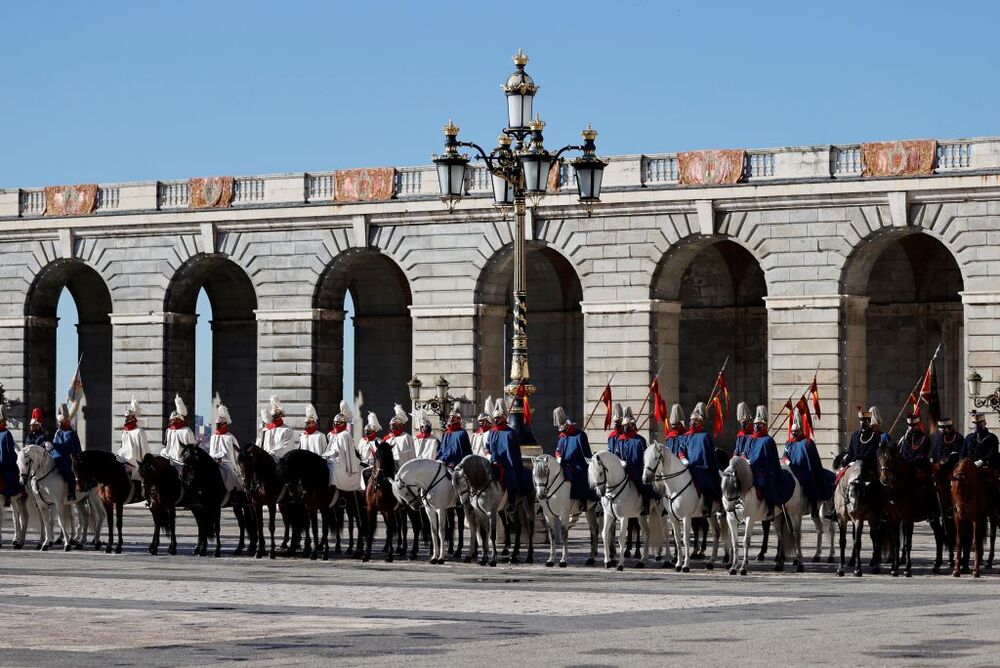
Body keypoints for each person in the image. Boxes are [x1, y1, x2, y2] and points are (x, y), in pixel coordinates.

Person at [746, 405, 793, 519]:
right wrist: (744, 460)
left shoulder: (768, 440)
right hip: (749, 468)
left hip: (763, 470)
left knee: (765, 483)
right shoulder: (750, 438)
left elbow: (772, 460)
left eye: (759, 425)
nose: (757, 426)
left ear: (764, 426)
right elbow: (744, 452)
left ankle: (770, 507)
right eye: (756, 424)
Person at [783, 408, 833, 516]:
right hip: (792, 469)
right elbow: (785, 455)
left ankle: (813, 505)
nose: (794, 434)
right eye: (792, 432)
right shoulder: (789, 443)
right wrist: (787, 461)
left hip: (805, 470)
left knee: (809, 481)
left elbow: (814, 460)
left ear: (801, 430)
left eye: (796, 432)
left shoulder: (807, 442)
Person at [677, 402, 722, 513]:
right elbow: (681, 449)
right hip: (688, 466)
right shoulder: (685, 436)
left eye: (695, 421)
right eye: (691, 420)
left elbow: (710, 454)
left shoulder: (705, 436)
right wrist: (683, 458)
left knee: (705, 482)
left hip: (702, 467)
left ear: (700, 422)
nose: (692, 422)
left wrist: (710, 467)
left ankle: (707, 505)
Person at [614, 407, 655, 511]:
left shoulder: (640, 440)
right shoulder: (620, 440)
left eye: (628, 426)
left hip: (637, 469)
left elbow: (645, 457)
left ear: (633, 425)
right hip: (623, 469)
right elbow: (617, 454)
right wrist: (620, 461)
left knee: (642, 484)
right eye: (624, 426)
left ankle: (646, 504)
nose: (626, 428)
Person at [553, 407, 595, 503]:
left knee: (580, 475)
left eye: (563, 429)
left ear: (568, 426)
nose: (562, 432)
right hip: (564, 464)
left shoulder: (580, 436)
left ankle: (584, 500)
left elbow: (587, 453)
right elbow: (558, 450)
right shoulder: (562, 437)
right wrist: (558, 457)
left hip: (577, 464)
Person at [487, 399, 525, 501]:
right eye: (495, 418)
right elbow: (487, 447)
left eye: (498, 418)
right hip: (493, 462)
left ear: (503, 418)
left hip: (508, 464)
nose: (496, 420)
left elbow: (517, 452)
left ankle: (512, 503)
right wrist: (488, 455)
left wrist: (517, 465)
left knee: (511, 480)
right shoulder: (491, 432)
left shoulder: (511, 433)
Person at [325, 401, 363, 491]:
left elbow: (342, 452)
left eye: (338, 423)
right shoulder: (333, 434)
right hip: (331, 458)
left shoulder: (345, 434)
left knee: (334, 470)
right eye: (335, 423)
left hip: (342, 462)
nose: (336, 425)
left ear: (344, 423)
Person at [842, 406, 886, 479]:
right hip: (852, 464)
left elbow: (870, 454)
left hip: (867, 467)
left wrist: (858, 461)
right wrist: (845, 463)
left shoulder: (875, 436)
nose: (862, 423)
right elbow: (851, 452)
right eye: (860, 420)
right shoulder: (855, 435)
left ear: (868, 422)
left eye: (864, 421)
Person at [209, 402, 244, 493]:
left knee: (228, 471)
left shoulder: (230, 437)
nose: (217, 426)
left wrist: (238, 467)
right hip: (213, 461)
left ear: (225, 424)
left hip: (226, 463)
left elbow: (237, 454)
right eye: (216, 424)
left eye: (219, 425)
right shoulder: (213, 437)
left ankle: (234, 491)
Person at [116, 397, 153, 483]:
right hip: (123, 457)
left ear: (133, 417)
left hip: (135, 461)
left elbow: (144, 450)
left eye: (128, 417)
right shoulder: (124, 431)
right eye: (126, 417)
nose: (126, 419)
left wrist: (145, 464)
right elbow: (122, 447)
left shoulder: (139, 431)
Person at [51, 403, 81, 501]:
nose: (58, 424)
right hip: (56, 456)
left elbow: (70, 449)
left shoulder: (70, 433)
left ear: (64, 422)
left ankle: (71, 492)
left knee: (69, 471)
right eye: (58, 422)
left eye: (60, 422)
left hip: (68, 458)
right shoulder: (58, 432)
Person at [161, 395, 197, 466]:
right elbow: (166, 444)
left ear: (179, 419)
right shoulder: (168, 430)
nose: (171, 421)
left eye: (173, 419)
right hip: (168, 459)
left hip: (181, 462)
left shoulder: (187, 431)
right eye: (171, 419)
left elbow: (191, 449)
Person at [260, 395, 295, 462]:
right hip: (265, 460)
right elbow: (260, 444)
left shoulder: (287, 430)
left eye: (276, 416)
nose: (274, 418)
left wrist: (272, 453)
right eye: (273, 416)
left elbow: (285, 447)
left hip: (280, 462)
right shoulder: (266, 430)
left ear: (281, 416)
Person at [0, 404, 24, 499]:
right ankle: (14, 492)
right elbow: (10, 455)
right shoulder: (6, 434)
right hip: (4, 465)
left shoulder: (6, 434)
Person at [437, 403, 472, 468]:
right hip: (443, 461)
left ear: (458, 419)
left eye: (453, 417)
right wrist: (438, 457)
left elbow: (466, 450)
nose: (450, 419)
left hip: (456, 463)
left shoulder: (462, 433)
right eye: (450, 417)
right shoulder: (446, 433)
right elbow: (441, 448)